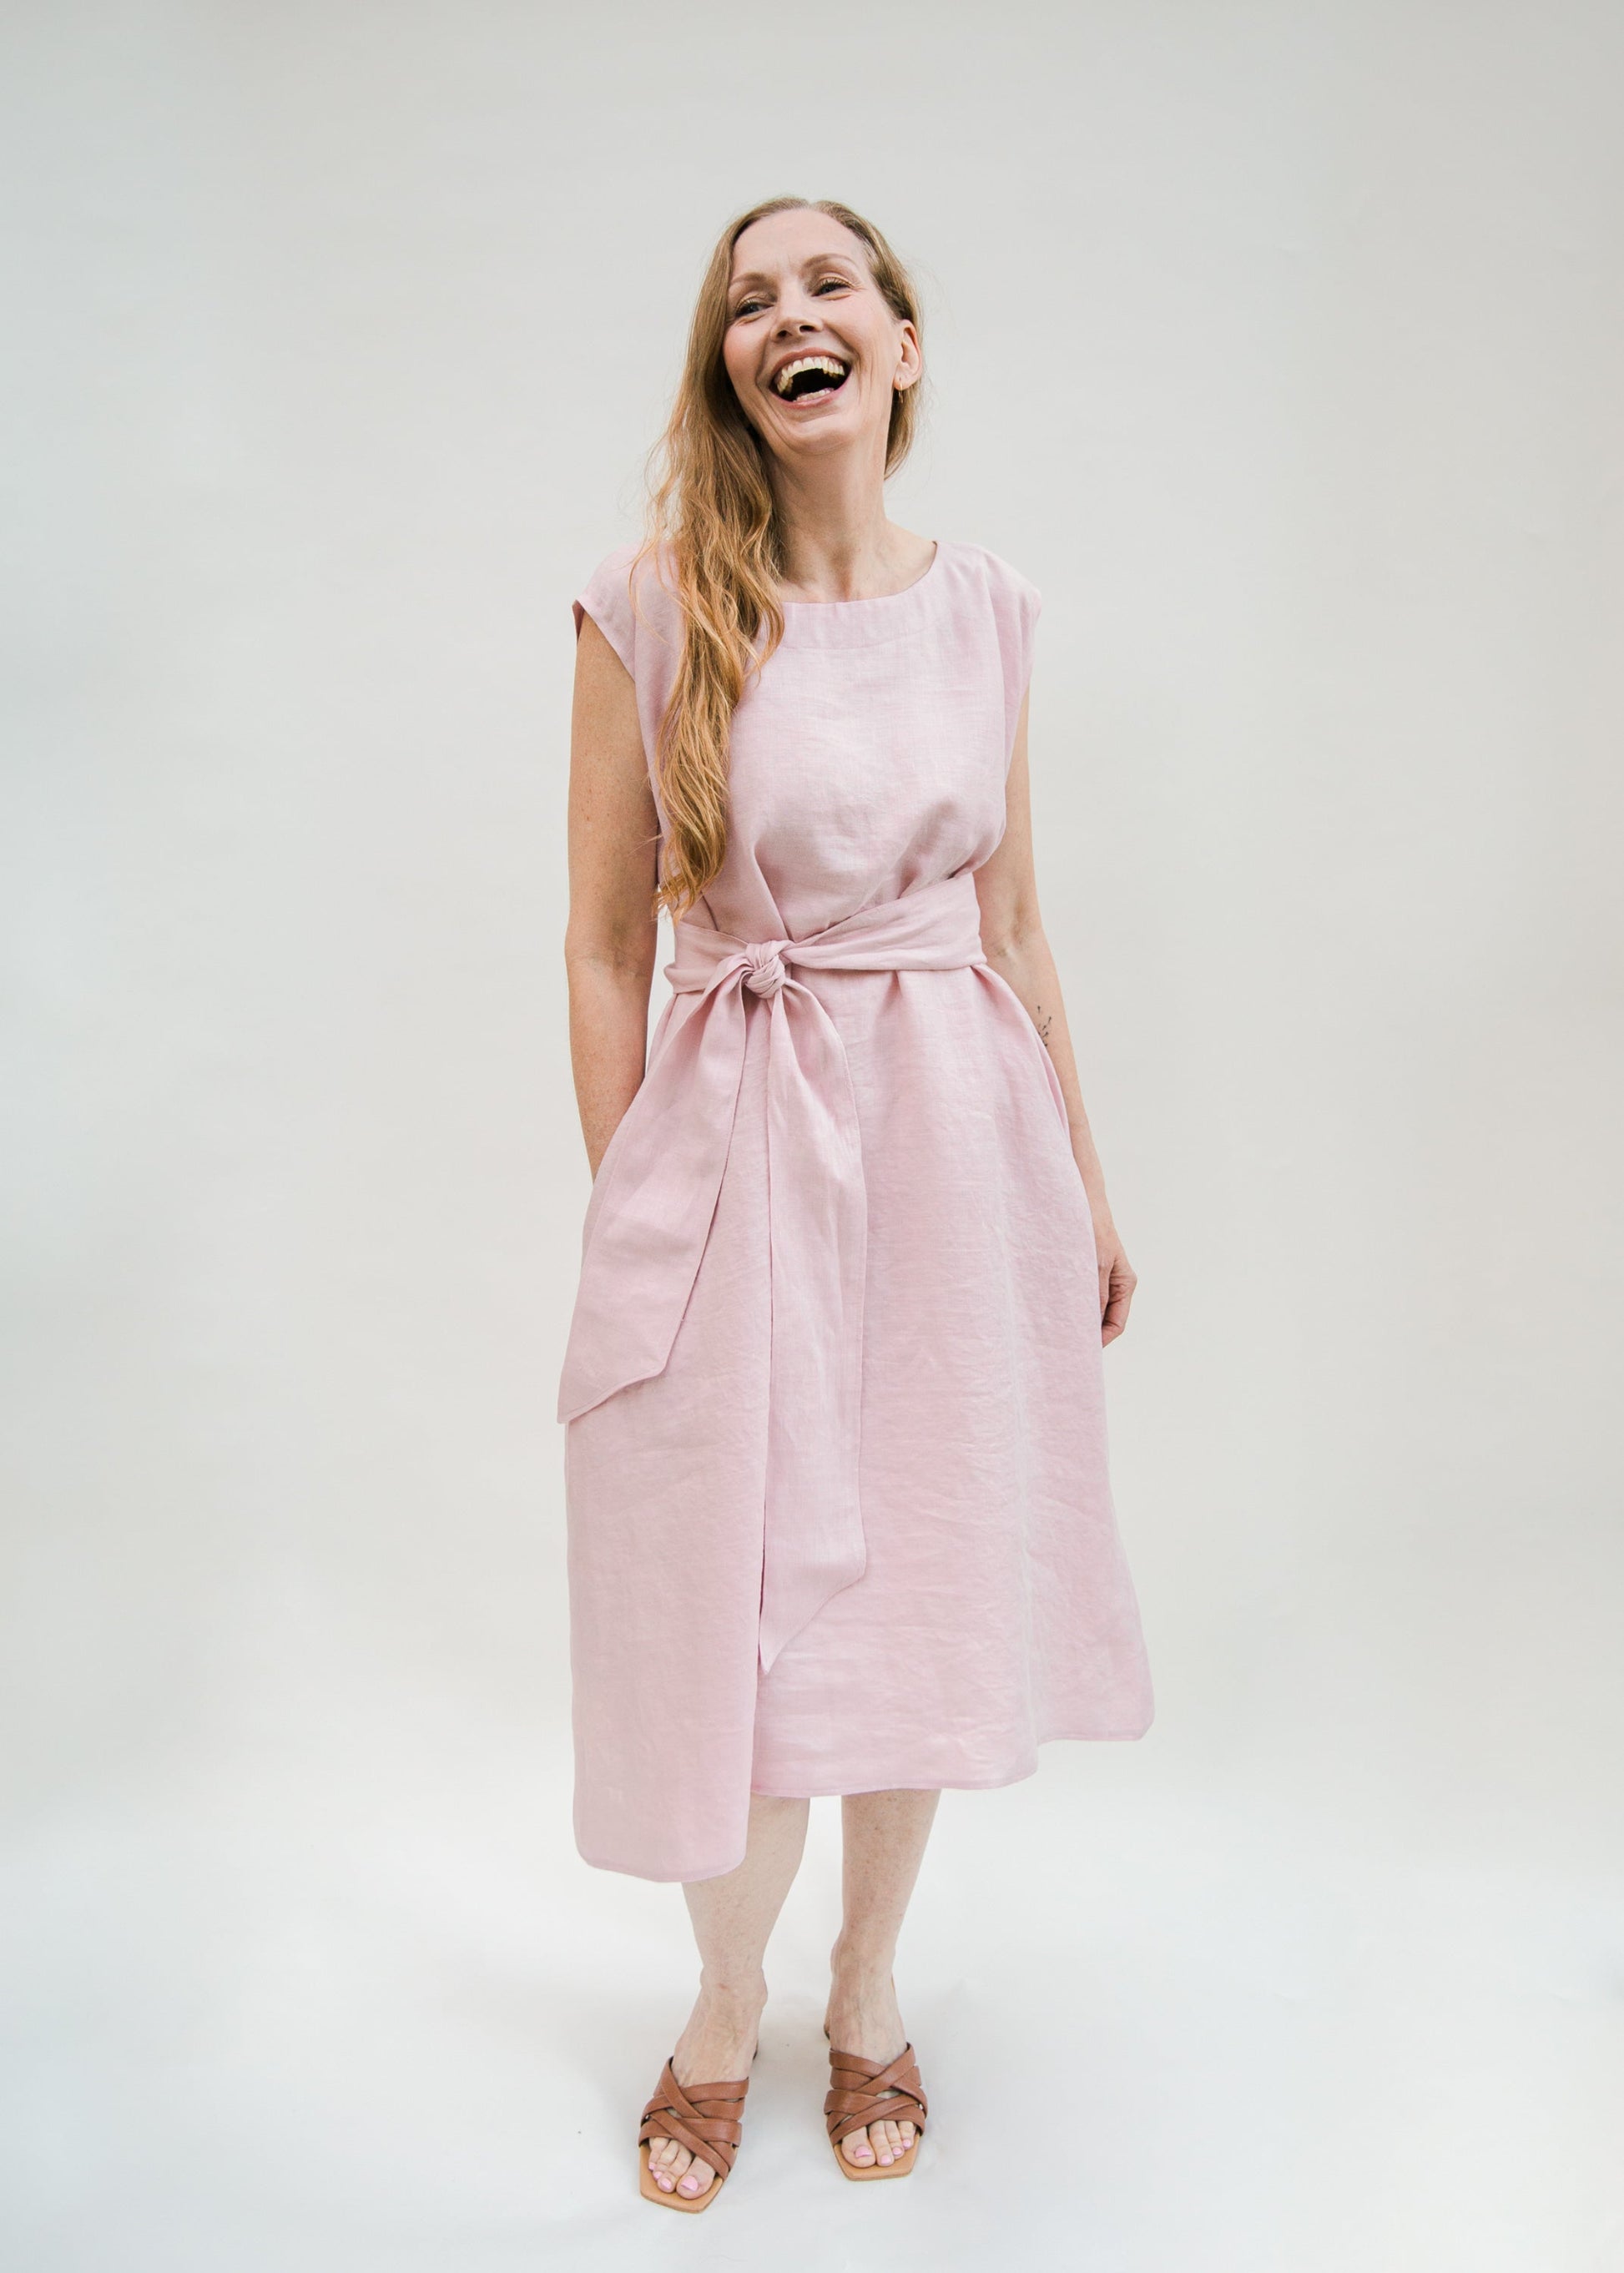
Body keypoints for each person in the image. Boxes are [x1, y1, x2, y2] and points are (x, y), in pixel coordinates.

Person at [559, 194, 1154, 2210]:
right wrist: (633, 1192)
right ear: (729, 367)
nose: (785, 318)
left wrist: (1083, 1183)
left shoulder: (984, 607)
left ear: (901, 345)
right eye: (748, 302)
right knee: (727, 1598)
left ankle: (870, 1987)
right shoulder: (650, 603)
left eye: (828, 286)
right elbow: (593, 942)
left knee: (921, 1581)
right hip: (740, 1149)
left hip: (958, 1145)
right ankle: (722, 2003)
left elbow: (1017, 922)